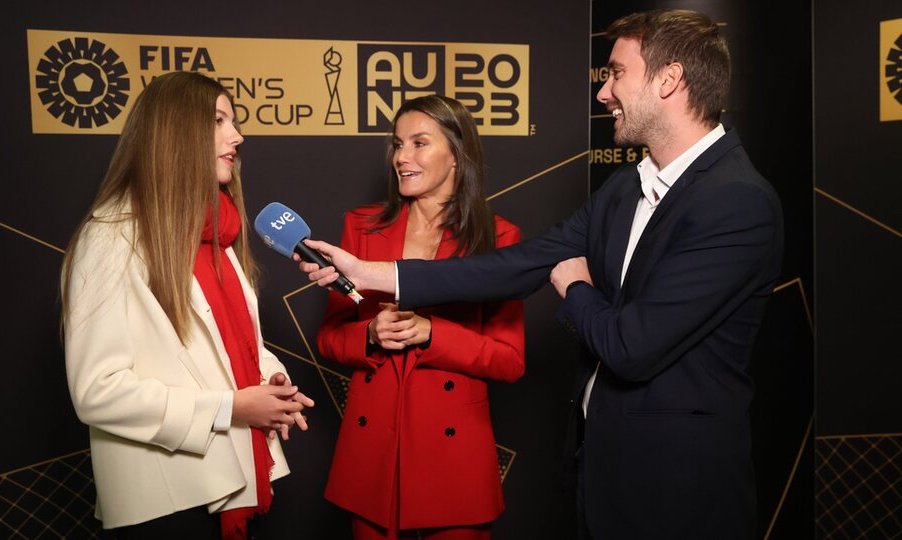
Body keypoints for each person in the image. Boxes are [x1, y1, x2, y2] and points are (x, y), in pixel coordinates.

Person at [299, 10, 783, 540]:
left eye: (617, 72)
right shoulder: (625, 189)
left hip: (680, 489)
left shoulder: (736, 201)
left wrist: (574, 286)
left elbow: (631, 346)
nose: (603, 92)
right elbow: (515, 265)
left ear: (669, 79)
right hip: (602, 471)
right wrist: (373, 272)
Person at [61, 71, 314, 539]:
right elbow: (97, 391)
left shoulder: (218, 233)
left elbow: (227, 347)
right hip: (166, 502)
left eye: (233, 122)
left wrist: (270, 383)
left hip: (236, 480)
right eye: (219, 120)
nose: (237, 137)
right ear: (175, 132)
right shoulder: (111, 236)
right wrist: (230, 409)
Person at [317, 95, 524, 540]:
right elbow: (330, 339)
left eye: (418, 143)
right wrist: (370, 335)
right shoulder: (362, 227)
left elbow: (509, 360)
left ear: (456, 154)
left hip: (453, 463)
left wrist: (433, 334)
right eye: (397, 144)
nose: (401, 158)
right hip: (372, 459)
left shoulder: (499, 237)